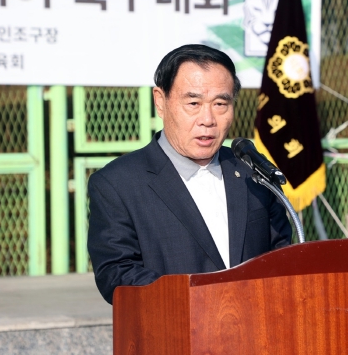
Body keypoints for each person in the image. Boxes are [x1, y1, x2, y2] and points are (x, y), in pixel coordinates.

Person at [87, 44, 292, 304]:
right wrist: (202, 301)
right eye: (193, 103)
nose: (207, 119)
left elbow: (281, 256)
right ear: (160, 102)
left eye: (220, 104)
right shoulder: (118, 184)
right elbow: (117, 275)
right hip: (174, 323)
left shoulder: (253, 173)